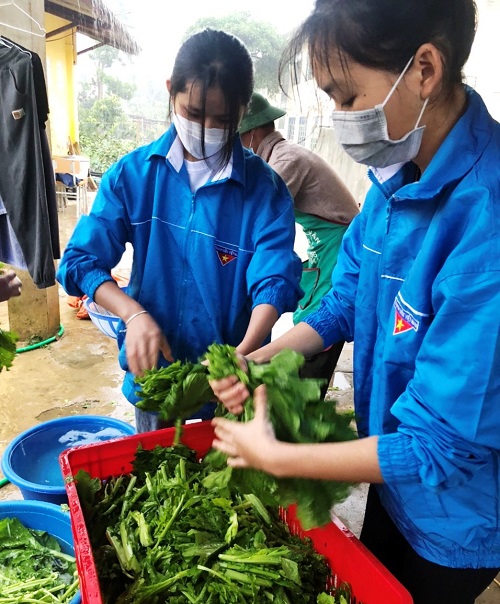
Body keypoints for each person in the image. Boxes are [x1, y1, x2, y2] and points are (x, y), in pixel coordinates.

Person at [209, 2, 500, 603]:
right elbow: (345, 299)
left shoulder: (486, 225)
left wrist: (282, 458)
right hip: (391, 477)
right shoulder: (394, 181)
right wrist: (261, 357)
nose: (340, 117)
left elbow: (438, 445)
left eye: (346, 96)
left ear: (424, 70)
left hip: (455, 517)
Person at [57, 28, 303, 433]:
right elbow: (81, 261)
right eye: (193, 112)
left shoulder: (265, 191)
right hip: (155, 374)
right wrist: (132, 313)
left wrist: (243, 354)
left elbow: (275, 280)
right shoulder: (133, 176)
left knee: (223, 466)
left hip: (226, 382)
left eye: (222, 120)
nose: (205, 129)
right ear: (171, 90)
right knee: (153, 461)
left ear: (244, 111)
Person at [239, 93, 359, 397]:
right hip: (323, 245)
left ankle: (305, 398)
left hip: (338, 247)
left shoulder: (285, 161)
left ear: (253, 133)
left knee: (319, 324)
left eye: (237, 138)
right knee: (306, 317)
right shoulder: (280, 155)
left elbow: (259, 220)